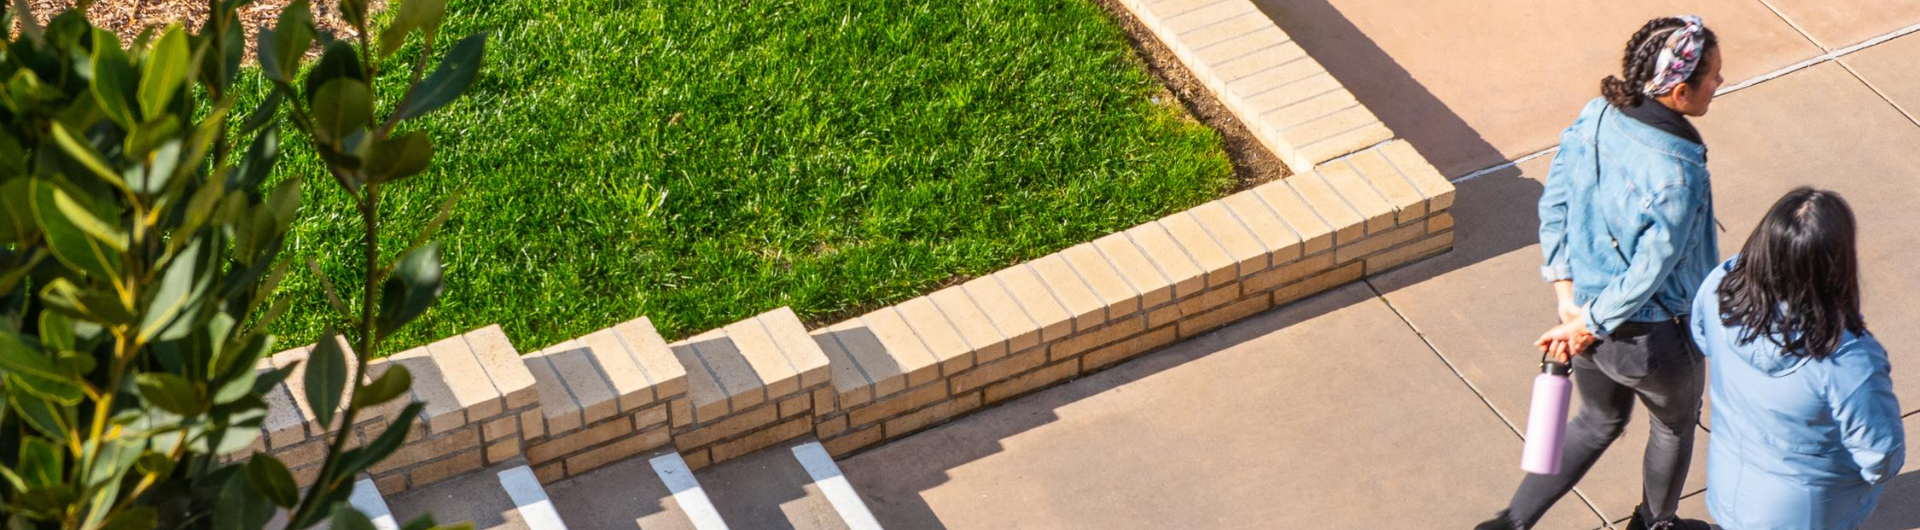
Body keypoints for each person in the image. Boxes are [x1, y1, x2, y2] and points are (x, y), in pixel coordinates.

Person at [1478, 15, 1724, 530]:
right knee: (1674, 425)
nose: (1719, 84)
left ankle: (1507, 525)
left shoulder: (1596, 116)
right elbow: (1650, 271)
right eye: (1714, 76)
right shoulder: (1678, 172)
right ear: (1679, 91)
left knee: (1597, 419)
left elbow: (1557, 204)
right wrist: (1588, 323)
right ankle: (1654, 525)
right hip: (1653, 337)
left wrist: (1569, 300)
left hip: (1588, 315)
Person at [1691, 188, 1904, 530]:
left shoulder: (1722, 288)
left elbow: (1702, 339)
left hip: (1731, 485)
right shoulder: (1847, 359)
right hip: (1807, 513)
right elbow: (1881, 455)